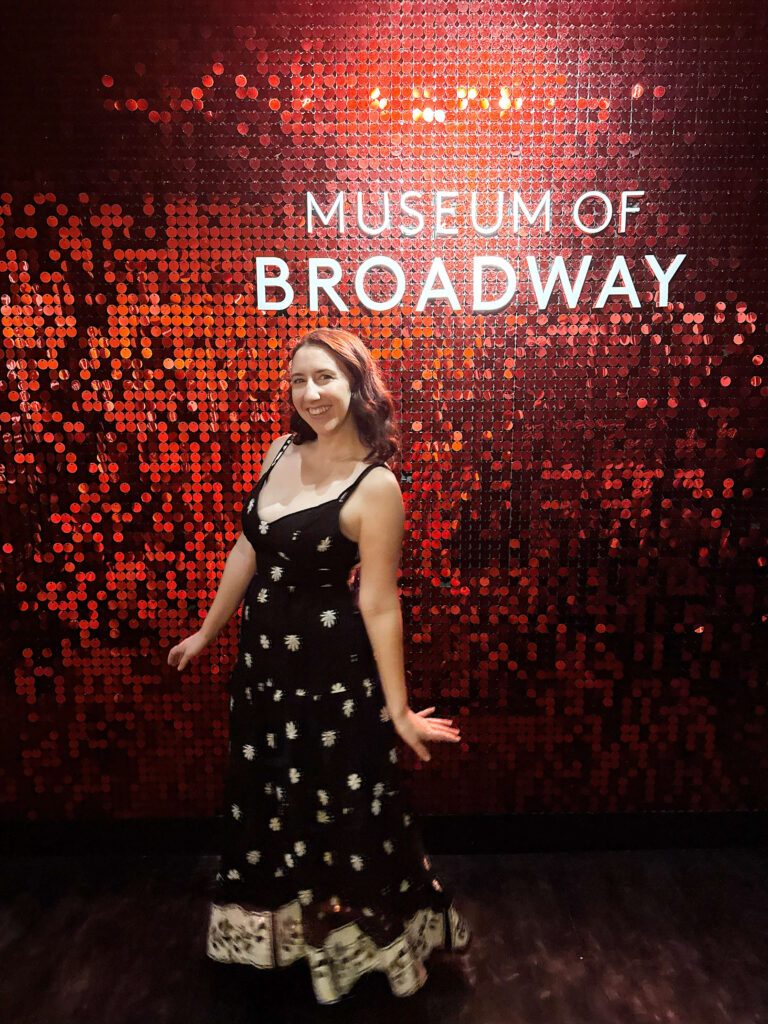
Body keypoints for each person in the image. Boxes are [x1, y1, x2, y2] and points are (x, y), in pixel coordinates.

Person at [167, 327, 472, 1004]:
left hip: (332, 679)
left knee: (341, 807)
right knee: (269, 798)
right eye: (299, 379)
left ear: (358, 385)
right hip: (264, 672)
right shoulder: (281, 451)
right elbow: (249, 549)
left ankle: (353, 947)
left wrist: (395, 712)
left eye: (325, 378)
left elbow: (381, 604)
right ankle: (283, 941)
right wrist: (207, 631)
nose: (310, 393)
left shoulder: (376, 484)